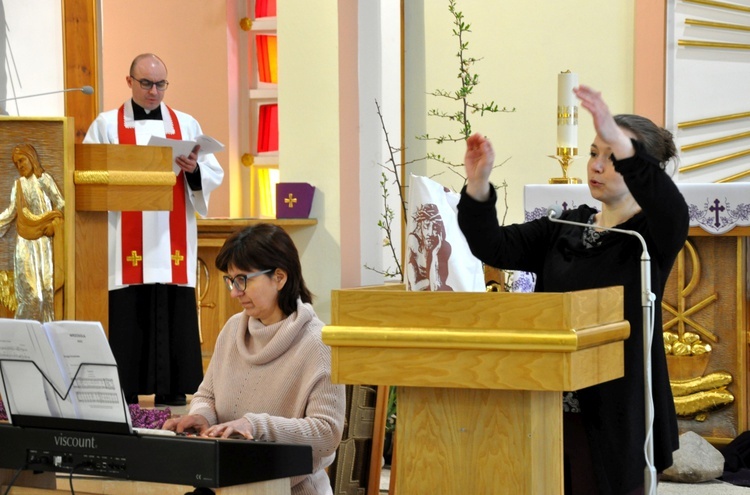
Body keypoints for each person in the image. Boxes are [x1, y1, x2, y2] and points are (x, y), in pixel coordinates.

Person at [457, 85, 689, 495]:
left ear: (641, 168)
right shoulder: (565, 226)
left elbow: (670, 206)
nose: (597, 166)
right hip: (551, 400)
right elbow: (491, 245)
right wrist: (478, 185)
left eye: (612, 157)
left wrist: (619, 141)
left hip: (618, 408)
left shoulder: (650, 235)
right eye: (594, 152)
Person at [83, 53, 224, 406]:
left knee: (172, 306)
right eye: (146, 83)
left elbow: (212, 172)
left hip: (170, 238)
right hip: (125, 235)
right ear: (129, 81)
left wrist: (193, 169)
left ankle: (173, 388)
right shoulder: (106, 125)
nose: (153, 91)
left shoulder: (185, 123)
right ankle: (125, 388)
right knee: (129, 312)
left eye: (161, 84)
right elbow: (88, 174)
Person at [163, 224, 346, 495]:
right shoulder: (232, 330)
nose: (234, 292)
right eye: (230, 281)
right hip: (226, 487)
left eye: (243, 280)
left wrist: (255, 425)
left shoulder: (318, 344)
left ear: (280, 277)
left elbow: (327, 433)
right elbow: (207, 396)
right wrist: (201, 415)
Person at [0, 144, 65, 322]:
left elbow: (61, 205)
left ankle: (47, 335)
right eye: (16, 163)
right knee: (31, 295)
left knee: (46, 292)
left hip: (43, 242)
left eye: (22, 160)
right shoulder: (18, 185)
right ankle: (21, 337)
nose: (19, 165)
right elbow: (11, 212)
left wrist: (55, 224)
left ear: (31, 158)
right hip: (25, 243)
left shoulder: (45, 180)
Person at [406, 203, 453, 291]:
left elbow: (436, 287)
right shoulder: (414, 243)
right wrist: (430, 281)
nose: (430, 233)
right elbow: (413, 287)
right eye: (426, 226)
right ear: (420, 226)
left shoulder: (444, 246)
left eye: (435, 227)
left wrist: (434, 254)